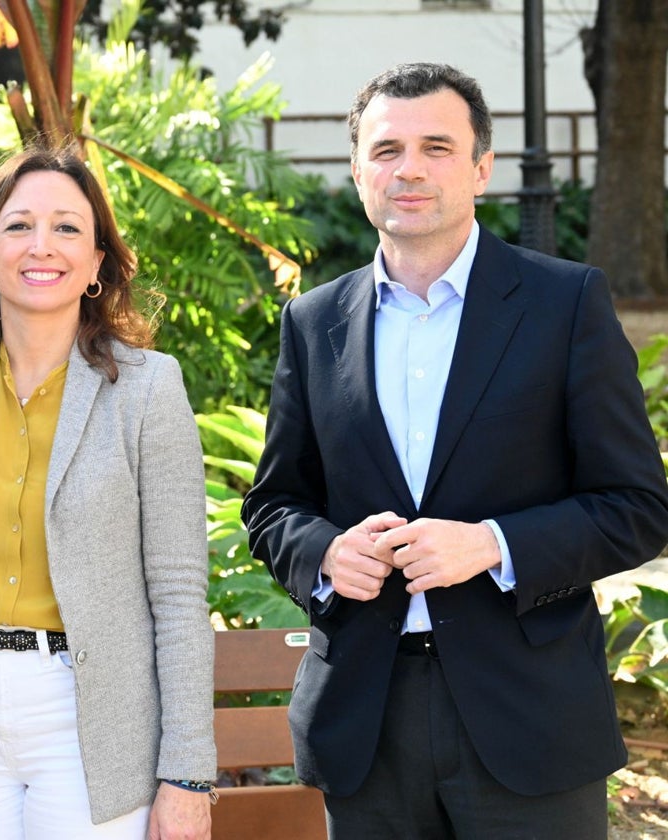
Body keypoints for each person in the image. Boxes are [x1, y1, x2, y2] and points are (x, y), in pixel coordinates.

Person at [241, 62, 668, 839]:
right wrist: (328, 554)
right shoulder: (312, 322)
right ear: (358, 170)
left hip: (526, 716)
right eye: (386, 149)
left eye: (437, 146)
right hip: (364, 721)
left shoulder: (565, 303)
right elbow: (274, 506)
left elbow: (638, 506)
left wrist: (493, 544)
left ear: (481, 168)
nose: (409, 168)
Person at [0, 145, 216, 840]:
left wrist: (187, 775)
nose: (41, 246)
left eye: (67, 228)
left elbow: (177, 594)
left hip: (94, 721)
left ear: (98, 264)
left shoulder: (148, 389)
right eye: (18, 226)